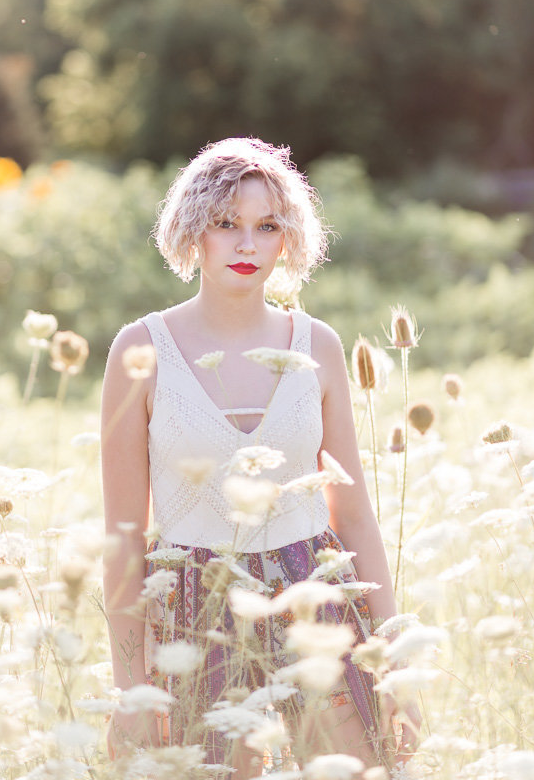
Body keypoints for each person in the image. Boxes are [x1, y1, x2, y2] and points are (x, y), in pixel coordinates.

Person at [101, 137, 418, 776]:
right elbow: (123, 537)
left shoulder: (318, 345)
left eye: (265, 226)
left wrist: (396, 664)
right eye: (226, 224)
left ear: (287, 239)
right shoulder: (141, 349)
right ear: (194, 231)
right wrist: (130, 685)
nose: (246, 245)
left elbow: (353, 517)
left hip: (315, 592)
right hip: (195, 600)